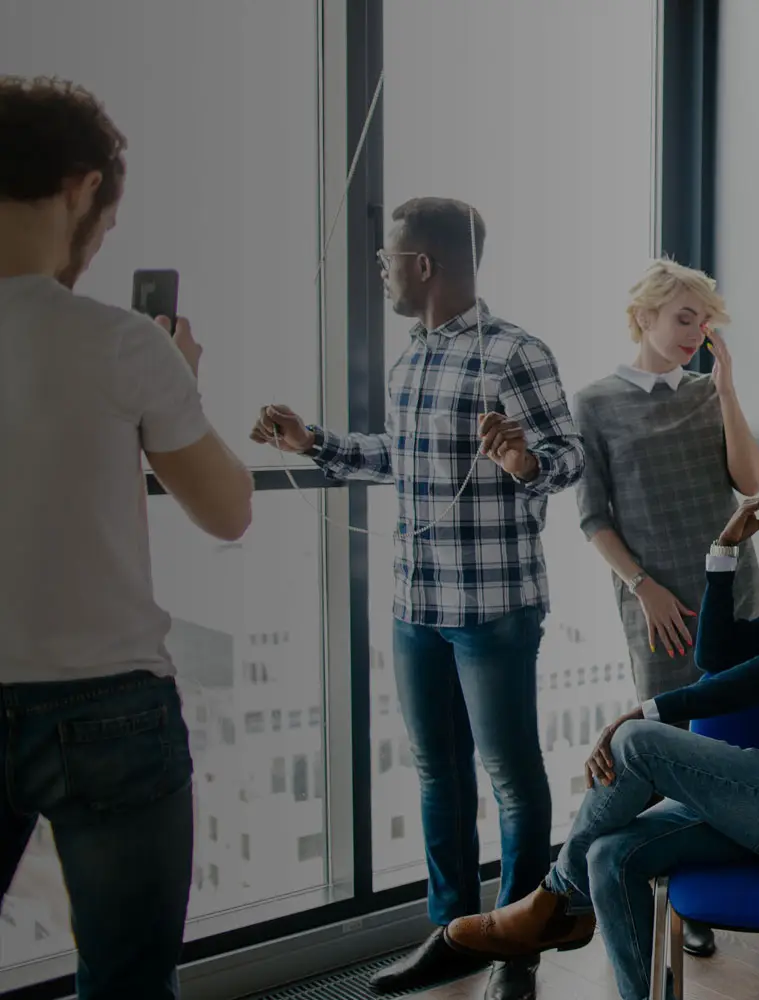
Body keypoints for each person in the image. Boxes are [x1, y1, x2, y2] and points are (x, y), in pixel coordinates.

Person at [252, 198, 585, 1000]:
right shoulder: (410, 362)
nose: (381, 270)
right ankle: (451, 937)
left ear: (425, 264)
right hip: (417, 607)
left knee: (510, 777)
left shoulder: (516, 353)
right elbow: (396, 459)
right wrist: (313, 443)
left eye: (387, 257)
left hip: (496, 608)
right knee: (438, 773)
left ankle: (517, 947)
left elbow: (570, 456)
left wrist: (526, 462)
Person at [440, 447, 759, 1000]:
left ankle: (552, 900)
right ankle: (601, 952)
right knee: (609, 856)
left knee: (639, 740)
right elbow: (718, 653)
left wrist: (649, 710)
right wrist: (724, 549)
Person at [0, 75, 254, 1000]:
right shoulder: (121, 343)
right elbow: (227, 510)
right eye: (102, 217)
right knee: (126, 984)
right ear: (77, 187)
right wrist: (179, 383)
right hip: (107, 707)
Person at [571, 258, 759, 961]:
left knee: (732, 740)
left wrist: (727, 388)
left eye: (703, 321)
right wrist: (641, 586)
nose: (694, 332)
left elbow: (748, 480)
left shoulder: (706, 393)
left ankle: (719, 876)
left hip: (732, 591)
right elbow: (592, 516)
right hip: (656, 605)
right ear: (644, 317)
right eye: (683, 317)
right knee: (673, 747)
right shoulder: (593, 404)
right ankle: (678, 897)